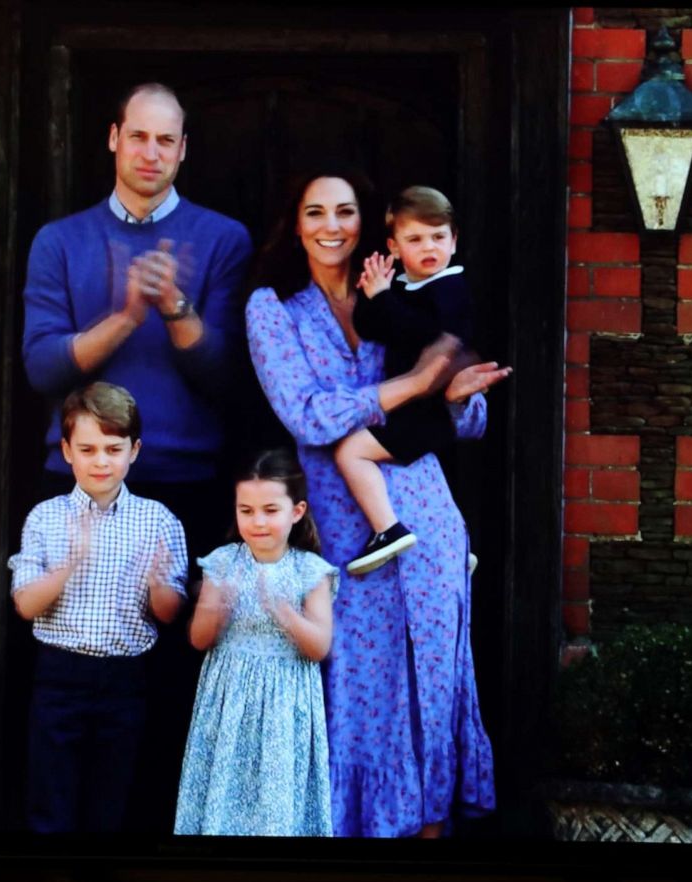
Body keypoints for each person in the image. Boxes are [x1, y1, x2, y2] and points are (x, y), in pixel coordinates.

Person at [244, 171, 510, 838]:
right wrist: (413, 384)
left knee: (431, 676)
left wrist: (446, 394)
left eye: (345, 211)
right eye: (315, 212)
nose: (331, 225)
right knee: (357, 686)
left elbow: (472, 417)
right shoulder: (274, 309)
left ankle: (427, 834)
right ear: (295, 223)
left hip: (427, 513)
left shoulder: (404, 295)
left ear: (367, 225)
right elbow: (308, 415)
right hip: (344, 528)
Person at [19, 82, 252, 831]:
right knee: (68, 673)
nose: (152, 153)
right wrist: (123, 317)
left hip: (182, 484)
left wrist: (177, 309)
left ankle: (151, 839)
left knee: (165, 682)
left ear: (184, 150)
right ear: (113, 138)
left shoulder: (222, 239)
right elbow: (43, 369)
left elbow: (225, 378)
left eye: (167, 140)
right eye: (139, 136)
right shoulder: (60, 241)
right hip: (80, 484)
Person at [8, 382, 188, 832]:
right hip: (59, 676)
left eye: (113, 448)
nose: (101, 461)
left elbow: (169, 613)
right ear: (67, 451)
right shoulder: (46, 518)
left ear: (135, 450)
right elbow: (25, 605)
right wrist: (69, 564)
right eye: (87, 449)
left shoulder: (159, 521)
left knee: (112, 801)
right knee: (51, 800)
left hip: (125, 678)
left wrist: (159, 586)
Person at [338, 186, 505, 576]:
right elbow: (373, 327)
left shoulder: (450, 288)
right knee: (426, 481)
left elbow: (423, 335)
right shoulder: (408, 287)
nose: (429, 247)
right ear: (394, 248)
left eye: (438, 236)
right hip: (416, 409)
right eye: (415, 239)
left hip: (425, 411)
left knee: (351, 452)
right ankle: (451, 543)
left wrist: (382, 298)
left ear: (454, 239)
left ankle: (388, 530)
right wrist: (373, 294)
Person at [174, 448, 337, 836]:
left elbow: (319, 647)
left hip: (284, 705)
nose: (257, 521)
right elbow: (198, 640)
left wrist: (284, 612)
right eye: (246, 511)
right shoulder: (224, 562)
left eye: (270, 510)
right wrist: (215, 607)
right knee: (223, 796)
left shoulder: (309, 570)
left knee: (275, 806)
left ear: (296, 512)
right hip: (228, 700)